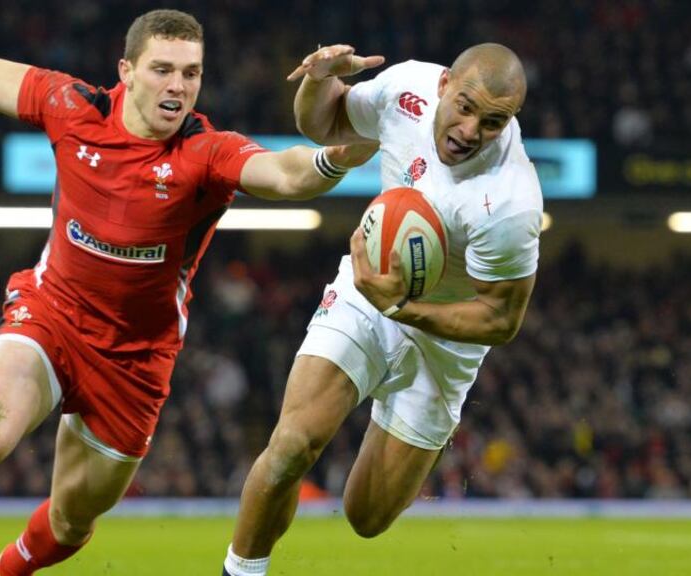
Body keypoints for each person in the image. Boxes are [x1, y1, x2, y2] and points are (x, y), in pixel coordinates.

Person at [0, 10, 377, 576]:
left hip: (136, 361)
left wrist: (341, 155)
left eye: (191, 73)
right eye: (162, 68)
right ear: (127, 71)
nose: (178, 85)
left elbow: (285, 173)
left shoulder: (205, 152)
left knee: (71, 520)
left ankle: (7, 570)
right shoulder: (71, 105)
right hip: (50, 315)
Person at [222, 43, 542, 575]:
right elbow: (325, 124)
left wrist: (405, 309)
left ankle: (412, 427)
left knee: (366, 516)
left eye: (492, 121)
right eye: (464, 106)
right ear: (443, 86)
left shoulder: (510, 202)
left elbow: (500, 320)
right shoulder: (408, 87)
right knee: (291, 447)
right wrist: (317, 82)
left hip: (446, 338)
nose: (469, 130)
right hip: (367, 287)